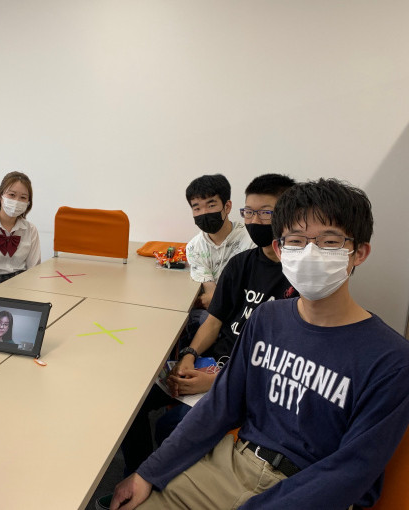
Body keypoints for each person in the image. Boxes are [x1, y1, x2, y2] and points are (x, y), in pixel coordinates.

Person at [111, 178, 409, 510]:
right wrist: (149, 473)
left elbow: (351, 472)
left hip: (307, 491)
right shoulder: (267, 318)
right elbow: (219, 406)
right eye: (296, 241)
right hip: (232, 465)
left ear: (359, 253)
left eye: (329, 242)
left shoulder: (390, 358)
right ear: (280, 249)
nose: (310, 253)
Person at [112, 174, 297, 490]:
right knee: (131, 403)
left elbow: (283, 362)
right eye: (249, 212)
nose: (255, 221)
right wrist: (188, 355)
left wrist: (217, 381)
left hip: (244, 380)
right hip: (210, 362)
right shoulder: (241, 265)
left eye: (265, 212)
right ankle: (136, 476)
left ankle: (160, 485)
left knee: (171, 427)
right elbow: (213, 321)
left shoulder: (299, 278)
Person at [183, 173, 254, 335]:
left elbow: (248, 292)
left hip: (246, 310)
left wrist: (216, 300)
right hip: (217, 314)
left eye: (211, 205)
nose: (204, 212)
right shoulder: (194, 247)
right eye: (197, 208)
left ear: (227, 207)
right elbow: (211, 295)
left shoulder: (250, 240)